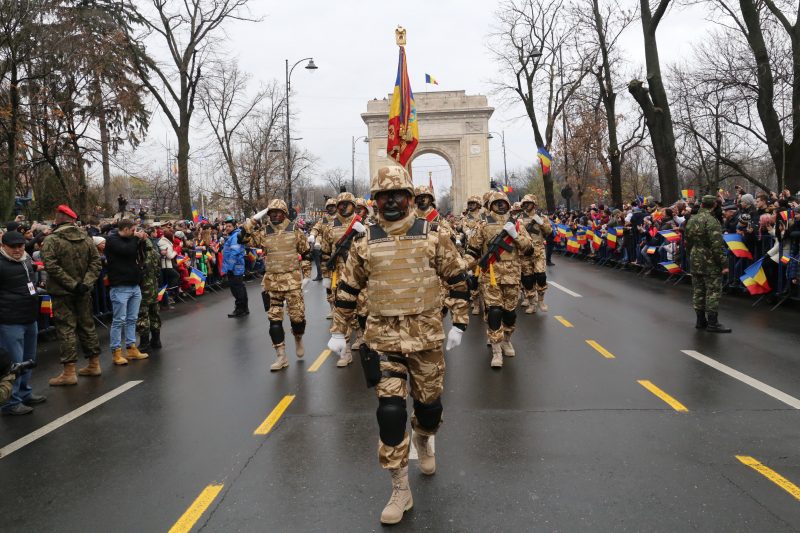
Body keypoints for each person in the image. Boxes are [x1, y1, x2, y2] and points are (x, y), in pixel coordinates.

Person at [327, 165, 469, 525]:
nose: (391, 201)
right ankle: (399, 489)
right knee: (389, 413)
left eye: (397, 196)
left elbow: (456, 279)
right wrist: (339, 331)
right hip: (382, 340)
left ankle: (424, 437)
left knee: (429, 409)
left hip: (426, 340)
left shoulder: (434, 236)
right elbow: (346, 290)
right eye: (383, 196)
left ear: (409, 198)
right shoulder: (364, 242)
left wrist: (461, 323)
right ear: (375, 201)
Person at [242, 199, 312, 371]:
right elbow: (243, 239)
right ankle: (281, 356)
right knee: (274, 321)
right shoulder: (264, 232)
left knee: (297, 318)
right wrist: (252, 221)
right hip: (272, 283)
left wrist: (307, 276)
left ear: (284, 214)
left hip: (292, 282)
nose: (273, 214)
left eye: (277, 212)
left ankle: (298, 337)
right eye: (271, 212)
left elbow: (306, 252)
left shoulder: (295, 231)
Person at [466, 191, 532, 367]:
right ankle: (496, 351)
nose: (501, 206)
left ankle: (506, 339)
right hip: (491, 276)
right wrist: (465, 267)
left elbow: (529, 249)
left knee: (509, 314)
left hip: (512, 276)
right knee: (494, 312)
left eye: (503, 203)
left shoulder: (517, 224)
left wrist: (516, 236)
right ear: (490, 206)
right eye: (497, 203)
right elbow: (472, 250)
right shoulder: (483, 225)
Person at [41, 205, 103, 385]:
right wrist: (85, 283)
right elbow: (96, 263)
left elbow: (50, 266)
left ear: (60, 217)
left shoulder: (52, 239)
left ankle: (69, 373)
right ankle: (94, 364)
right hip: (83, 291)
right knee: (87, 326)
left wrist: (72, 284)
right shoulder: (86, 238)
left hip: (62, 292)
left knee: (66, 328)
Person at [0, 231, 46, 414]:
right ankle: (10, 402)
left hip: (29, 316)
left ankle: (24, 392)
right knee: (13, 363)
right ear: (3, 246)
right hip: (9, 321)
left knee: (29, 359)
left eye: (20, 246)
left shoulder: (26, 259)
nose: (18, 249)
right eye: (14, 247)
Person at [320, 192, 361, 366]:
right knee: (341, 313)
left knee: (362, 311)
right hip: (340, 276)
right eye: (341, 205)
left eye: (347, 204)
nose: (343, 208)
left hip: (361, 276)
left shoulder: (361, 224)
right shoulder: (330, 227)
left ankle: (361, 336)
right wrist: (326, 277)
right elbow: (325, 254)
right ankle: (346, 352)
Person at [684, 195, 731, 333]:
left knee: (698, 291)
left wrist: (691, 256)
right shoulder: (712, 221)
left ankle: (700, 320)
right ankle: (712, 322)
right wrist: (724, 264)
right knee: (713, 291)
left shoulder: (691, 220)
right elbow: (716, 246)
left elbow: (687, 242)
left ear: (702, 204)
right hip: (710, 260)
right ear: (714, 205)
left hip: (695, 257)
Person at [105, 219, 149, 366]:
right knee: (119, 320)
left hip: (134, 285)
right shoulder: (112, 240)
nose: (134, 232)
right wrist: (136, 238)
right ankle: (116, 351)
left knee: (132, 319)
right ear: (125, 229)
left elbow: (139, 254)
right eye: (132, 230)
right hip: (119, 286)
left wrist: (141, 241)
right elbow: (127, 251)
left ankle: (131, 348)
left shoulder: (130, 240)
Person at [519, 194, 552, 314]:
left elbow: (549, 232)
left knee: (541, 276)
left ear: (534, 204)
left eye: (528, 203)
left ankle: (541, 301)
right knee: (527, 279)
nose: (526, 206)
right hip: (525, 252)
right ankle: (532, 303)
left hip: (538, 251)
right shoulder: (519, 219)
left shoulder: (542, 217)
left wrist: (542, 223)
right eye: (524, 204)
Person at [136, 227, 163, 352]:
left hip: (143, 286)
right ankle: (156, 340)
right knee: (154, 313)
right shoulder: (153, 249)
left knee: (143, 314)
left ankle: (144, 342)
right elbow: (158, 269)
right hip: (153, 284)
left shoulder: (140, 250)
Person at [221, 217, 249, 318]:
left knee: (237, 289)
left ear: (234, 226)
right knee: (240, 288)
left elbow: (234, 253)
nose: (227, 228)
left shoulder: (235, 236)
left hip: (234, 268)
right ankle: (244, 309)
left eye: (229, 226)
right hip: (236, 267)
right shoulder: (233, 235)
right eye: (226, 226)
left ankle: (240, 309)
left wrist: (229, 267)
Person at [308, 198, 337, 280]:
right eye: (329, 206)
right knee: (327, 279)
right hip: (326, 252)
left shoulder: (340, 218)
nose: (330, 208)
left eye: (333, 206)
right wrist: (312, 235)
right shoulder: (323, 219)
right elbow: (316, 228)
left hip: (338, 251)